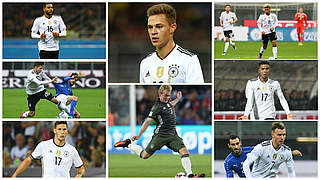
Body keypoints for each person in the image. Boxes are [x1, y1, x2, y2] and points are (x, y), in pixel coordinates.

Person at [114, 85, 205, 178]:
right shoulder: (156, 107)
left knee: (184, 152)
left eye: (169, 95)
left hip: (173, 135)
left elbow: (170, 105)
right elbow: (147, 121)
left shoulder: (168, 101)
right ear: (160, 94)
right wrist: (138, 135)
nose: (167, 98)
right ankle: (127, 144)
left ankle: (190, 175)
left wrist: (177, 99)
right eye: (165, 95)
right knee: (145, 155)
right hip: (160, 135)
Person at [139, 4, 204, 83]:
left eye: (159, 26)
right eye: (150, 27)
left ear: (172, 28)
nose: (153, 32)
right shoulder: (145, 63)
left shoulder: (189, 60)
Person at [12, 121, 85, 178]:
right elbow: (28, 160)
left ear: (67, 131)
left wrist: (79, 175)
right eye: (59, 129)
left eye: (64, 129)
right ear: (54, 130)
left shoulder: (72, 150)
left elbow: (81, 168)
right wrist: (15, 175)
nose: (62, 132)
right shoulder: (43, 145)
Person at [224, 135, 302, 178]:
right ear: (229, 146)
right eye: (233, 145)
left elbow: (266, 149)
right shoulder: (228, 162)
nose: (236, 146)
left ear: (240, 143)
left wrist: (291, 153)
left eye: (237, 144)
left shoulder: (250, 150)